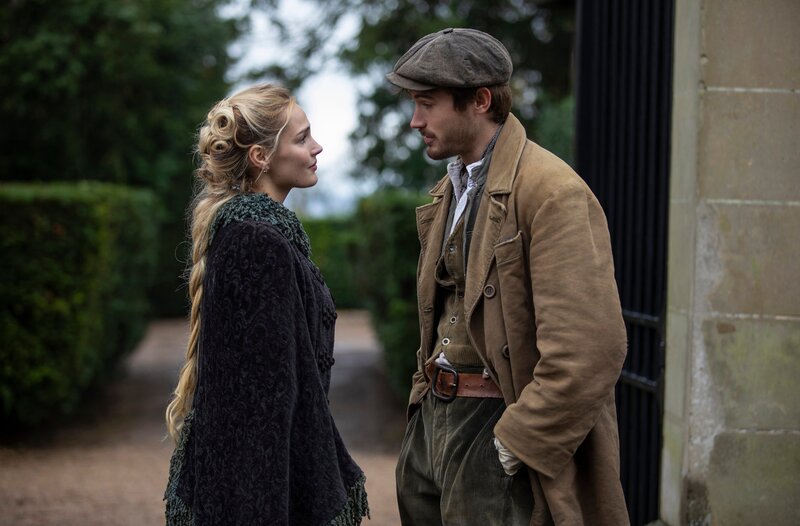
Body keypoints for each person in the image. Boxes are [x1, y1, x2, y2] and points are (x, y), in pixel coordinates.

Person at [387, 28, 629, 525]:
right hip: (435, 420)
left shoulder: (553, 191)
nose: (415, 121)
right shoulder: (449, 189)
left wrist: (516, 442)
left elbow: (591, 348)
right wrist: (422, 409)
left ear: (479, 100)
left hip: (496, 429)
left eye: (427, 104)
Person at [163, 83, 368, 525]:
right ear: (260, 156)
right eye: (301, 138)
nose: (317, 147)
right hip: (258, 495)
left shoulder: (266, 235)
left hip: (267, 482)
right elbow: (262, 407)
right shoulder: (256, 242)